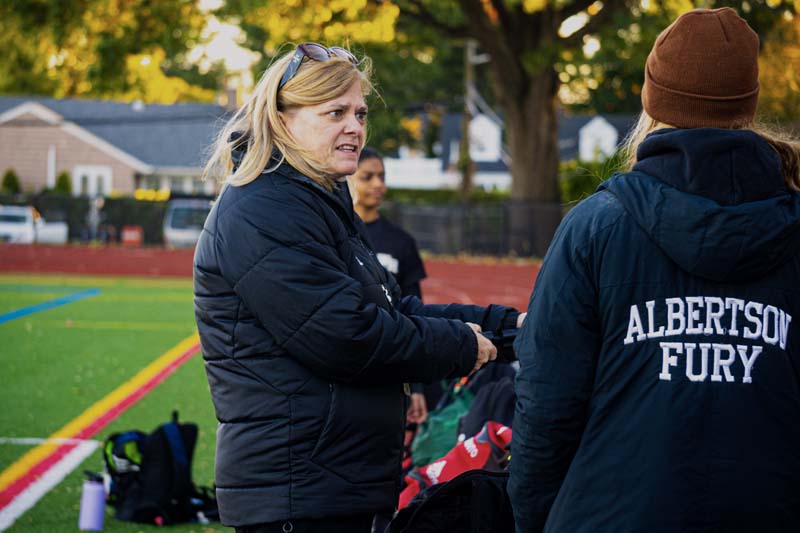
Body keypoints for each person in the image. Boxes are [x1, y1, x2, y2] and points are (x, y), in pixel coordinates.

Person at [194, 42, 523, 533]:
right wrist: (463, 345)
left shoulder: (317, 201)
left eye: (360, 112)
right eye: (335, 112)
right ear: (283, 120)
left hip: (334, 484)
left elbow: (397, 312)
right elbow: (346, 337)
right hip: (300, 496)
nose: (355, 126)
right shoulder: (263, 209)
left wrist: (509, 328)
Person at [509, 8, 800, 533]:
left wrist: (533, 518)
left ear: (653, 102)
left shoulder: (595, 226)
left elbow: (546, 407)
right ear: (749, 104)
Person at [349, 147, 430, 424]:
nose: (378, 185)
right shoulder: (335, 234)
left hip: (390, 359)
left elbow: (414, 312)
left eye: (381, 177)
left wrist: (416, 385)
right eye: (367, 177)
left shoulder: (401, 241)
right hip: (350, 356)